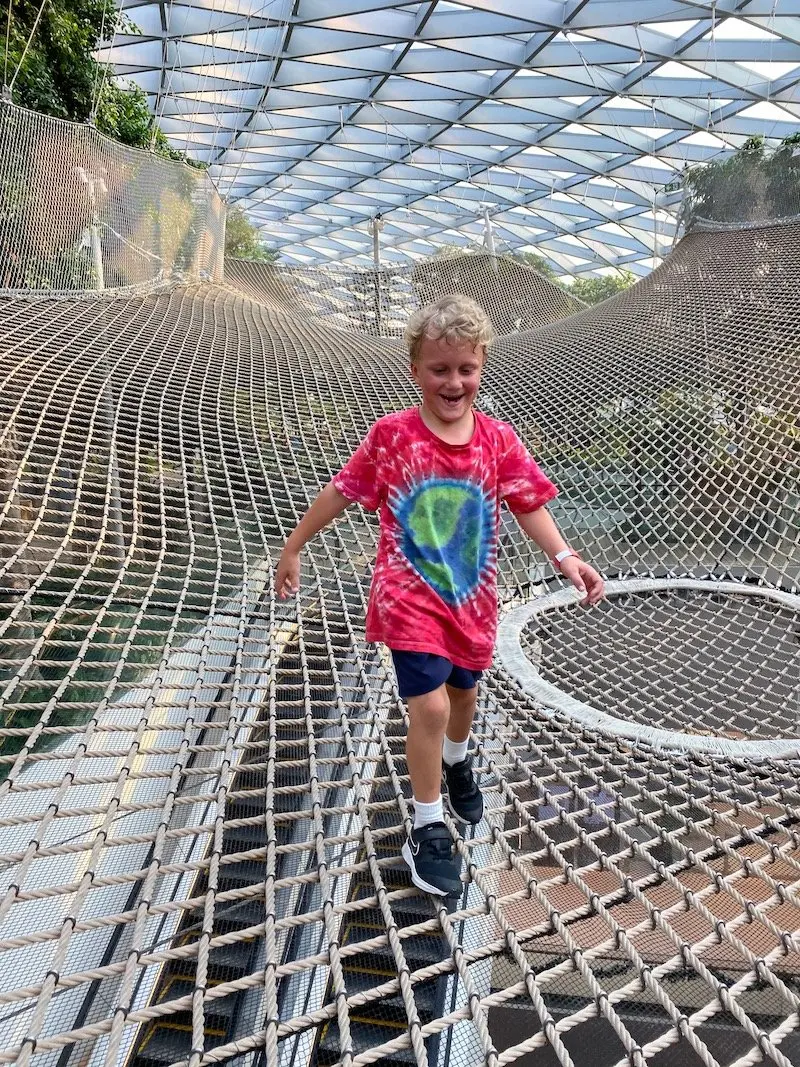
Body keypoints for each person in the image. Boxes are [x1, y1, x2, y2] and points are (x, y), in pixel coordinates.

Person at [275, 295, 604, 897]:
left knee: (462, 699)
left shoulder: (498, 441)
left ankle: (457, 759)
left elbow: (527, 503)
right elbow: (344, 491)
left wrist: (566, 557)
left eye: (465, 368)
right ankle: (427, 826)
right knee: (427, 708)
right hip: (408, 596)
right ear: (415, 370)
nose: (453, 382)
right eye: (439, 368)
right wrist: (294, 545)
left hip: (472, 600)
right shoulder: (393, 436)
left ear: (481, 365)